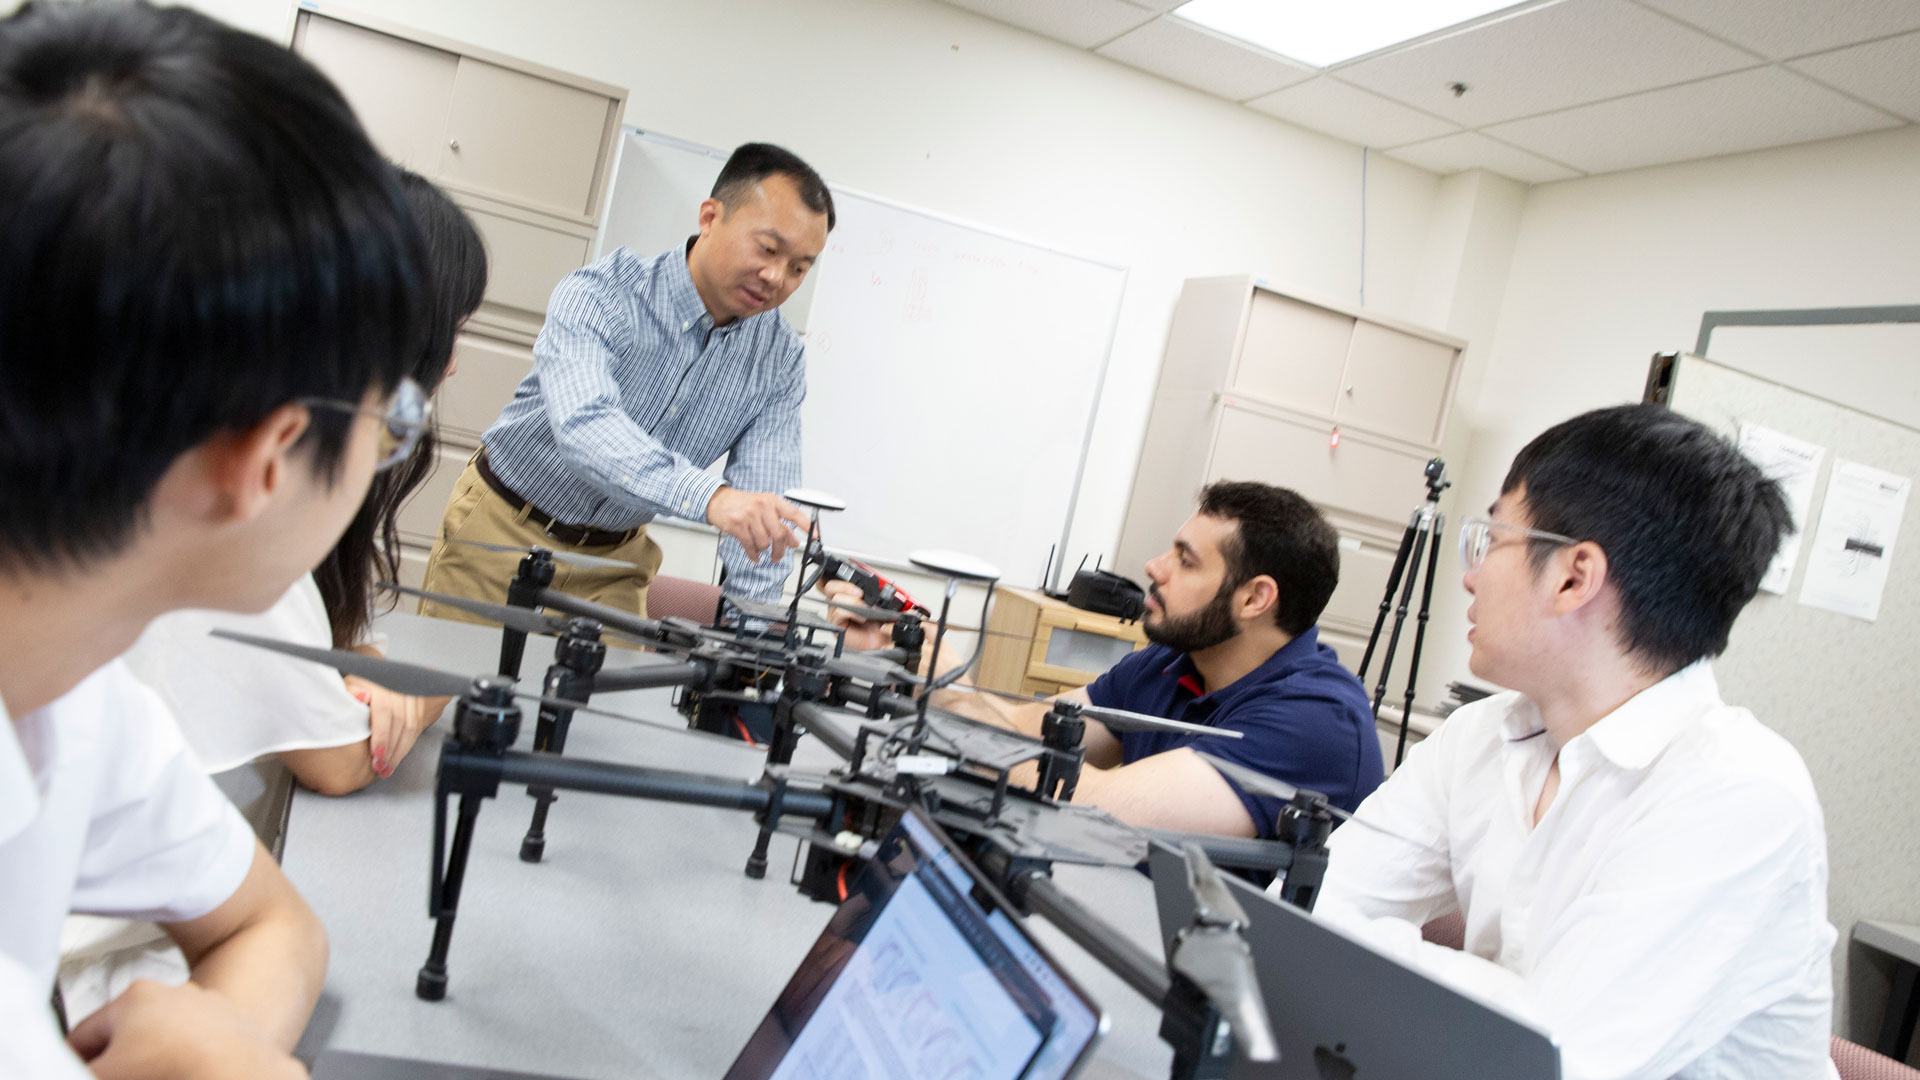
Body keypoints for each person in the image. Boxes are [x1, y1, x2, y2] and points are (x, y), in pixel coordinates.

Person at [0, 3, 434, 1077]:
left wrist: (209, 1044)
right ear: (270, 455)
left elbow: (272, 925)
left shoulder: (66, 687)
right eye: (390, 422)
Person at [1300, 405, 1835, 1079]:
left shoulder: (1739, 794)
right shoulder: (1481, 735)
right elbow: (1315, 906)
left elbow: (1548, 1059)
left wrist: (1377, 956)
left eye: (1492, 539)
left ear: (1574, 576)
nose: (1469, 574)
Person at [417, 142, 836, 624]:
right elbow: (585, 424)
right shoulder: (601, 293)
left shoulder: (779, 360)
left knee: (611, 696)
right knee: (455, 691)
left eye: (799, 268)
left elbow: (765, 506)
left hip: (614, 562)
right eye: (767, 248)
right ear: (709, 217)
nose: (775, 276)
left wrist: (752, 634)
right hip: (505, 528)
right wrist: (709, 497)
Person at [832, 481, 1383, 838]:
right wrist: (909, 658)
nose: (1154, 567)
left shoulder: (1315, 721)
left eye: (1186, 562)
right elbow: (1027, 731)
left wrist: (948, 689)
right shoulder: (1174, 661)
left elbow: (1093, 809)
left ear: (1254, 598)